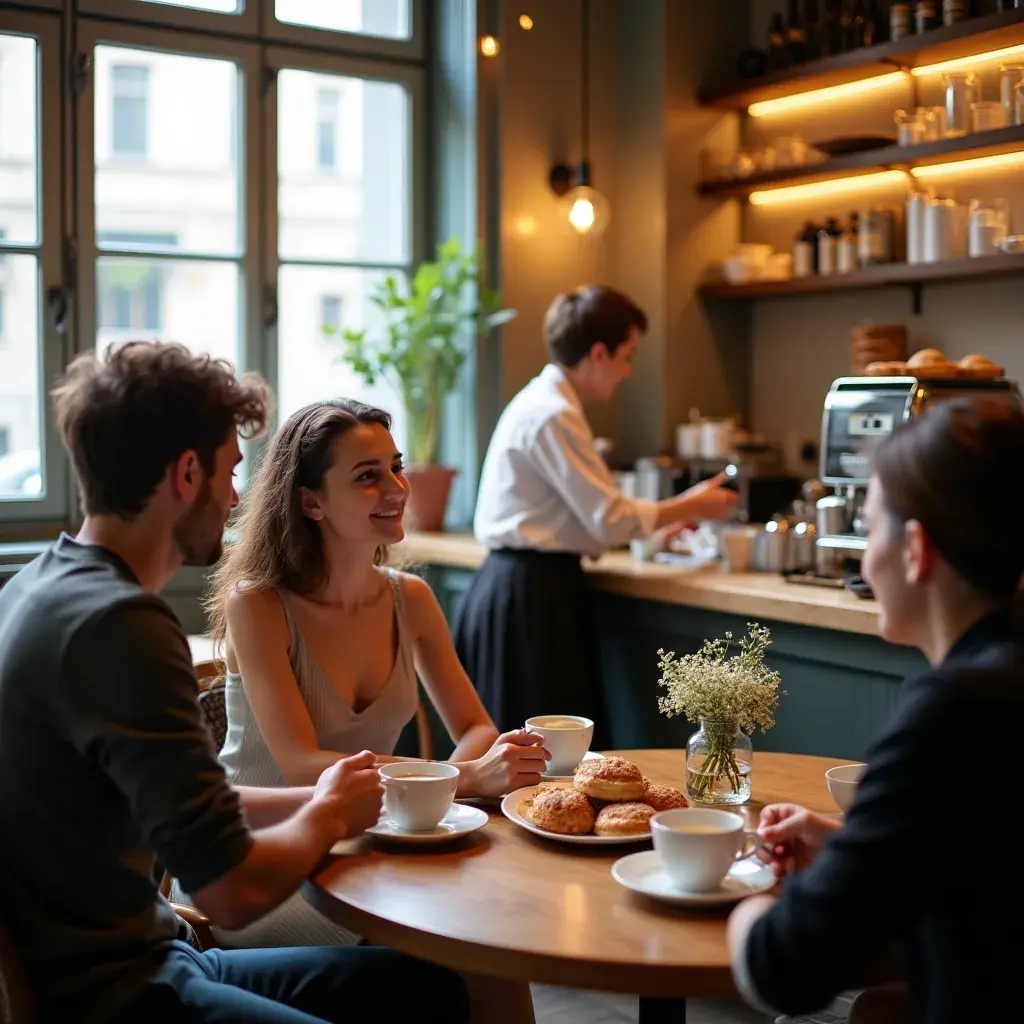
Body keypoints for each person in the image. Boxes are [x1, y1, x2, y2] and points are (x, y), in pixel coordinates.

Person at [0, 341, 468, 1024]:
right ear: (188, 473)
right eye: (231, 472)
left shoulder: (35, 587)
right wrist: (327, 814)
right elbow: (232, 893)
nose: (239, 497)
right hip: (118, 995)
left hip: (162, 950)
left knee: (430, 986)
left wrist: (327, 793)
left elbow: (199, 800)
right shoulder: (123, 626)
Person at [179, 397, 544, 1023]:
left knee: (494, 962)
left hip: (371, 846)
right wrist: (457, 781)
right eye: (367, 475)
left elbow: (476, 725)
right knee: (446, 954)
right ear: (311, 502)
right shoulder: (259, 605)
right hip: (264, 858)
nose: (396, 487)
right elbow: (299, 765)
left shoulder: (412, 599)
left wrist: (439, 804)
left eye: (395, 467)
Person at [727, 397, 1024, 1024]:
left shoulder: (951, 713)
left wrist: (738, 899)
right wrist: (850, 849)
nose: (863, 560)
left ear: (915, 549)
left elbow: (787, 968)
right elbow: (984, 869)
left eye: (869, 530)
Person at [453, 285, 738, 742]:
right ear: (599, 353)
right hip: (530, 598)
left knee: (537, 758)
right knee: (543, 759)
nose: (628, 372)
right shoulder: (553, 414)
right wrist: (694, 504)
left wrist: (665, 521)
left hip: (523, 589)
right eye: (628, 356)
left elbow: (590, 523)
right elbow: (608, 520)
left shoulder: (547, 404)